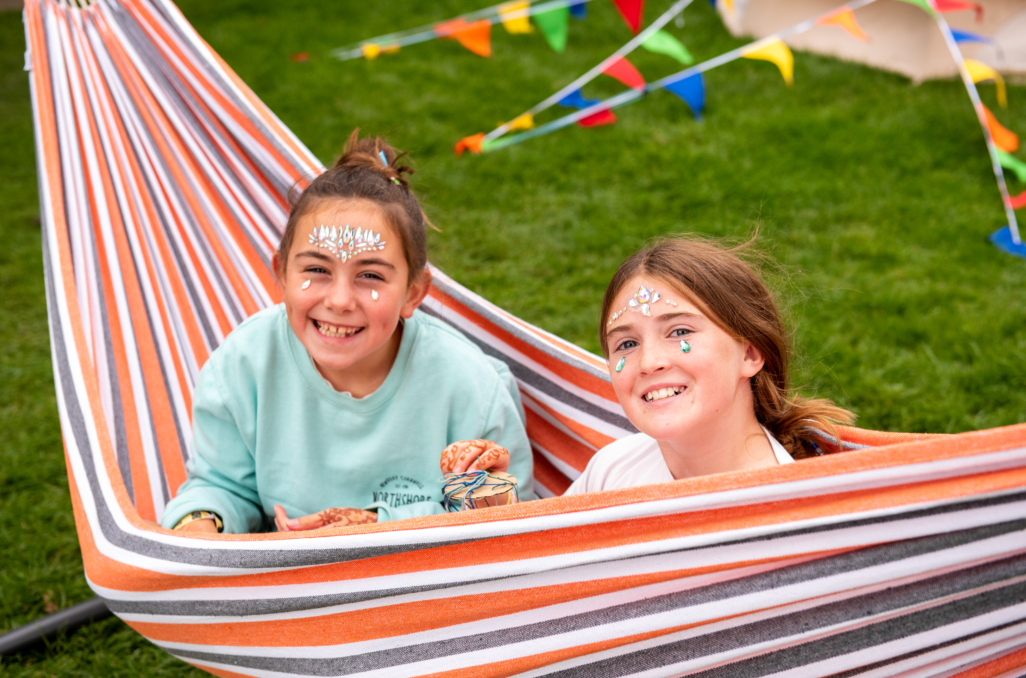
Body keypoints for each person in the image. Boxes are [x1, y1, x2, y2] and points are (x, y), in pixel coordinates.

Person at [161, 131, 533, 534]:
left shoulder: (471, 387)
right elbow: (223, 486)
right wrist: (201, 522)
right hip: (290, 582)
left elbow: (507, 523)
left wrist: (370, 525)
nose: (339, 300)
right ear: (281, 274)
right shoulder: (242, 366)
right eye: (317, 270)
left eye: (369, 275)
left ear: (413, 293)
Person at [565, 236, 853, 495]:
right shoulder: (611, 471)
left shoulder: (791, 507)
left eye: (679, 332)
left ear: (749, 354)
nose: (649, 362)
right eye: (627, 344)